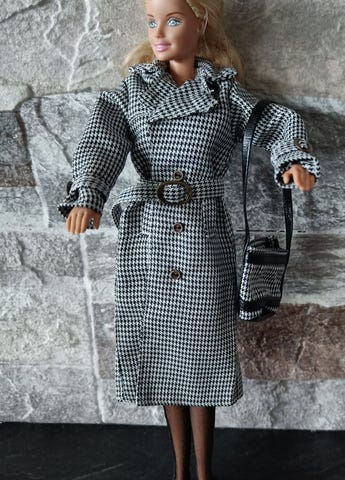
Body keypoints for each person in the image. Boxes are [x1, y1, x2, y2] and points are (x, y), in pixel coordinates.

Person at [58, 0, 321, 479]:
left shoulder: (223, 93)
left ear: (200, 23)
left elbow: (277, 119)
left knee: (204, 352)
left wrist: (293, 158)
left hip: (203, 236)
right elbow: (100, 141)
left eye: (173, 20)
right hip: (149, 238)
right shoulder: (131, 93)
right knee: (162, 355)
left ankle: (204, 471)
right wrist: (88, 196)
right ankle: (181, 469)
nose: (158, 33)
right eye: (151, 22)